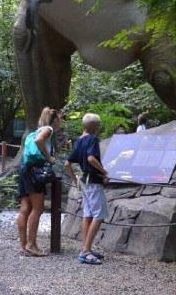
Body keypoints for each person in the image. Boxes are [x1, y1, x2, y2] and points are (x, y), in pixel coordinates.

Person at [65, 113, 110, 265]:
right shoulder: (92, 139)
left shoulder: (79, 141)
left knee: (88, 213)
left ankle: (85, 248)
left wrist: (73, 179)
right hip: (93, 182)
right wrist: (104, 172)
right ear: (96, 128)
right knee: (99, 215)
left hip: (84, 181)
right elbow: (91, 158)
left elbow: (67, 163)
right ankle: (85, 252)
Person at [17, 107, 62, 257]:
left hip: (25, 170)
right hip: (35, 172)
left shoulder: (35, 131)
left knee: (25, 208)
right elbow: (39, 140)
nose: (60, 122)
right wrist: (49, 157)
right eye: (60, 119)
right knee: (38, 208)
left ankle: (24, 246)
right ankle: (31, 245)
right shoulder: (47, 130)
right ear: (55, 120)